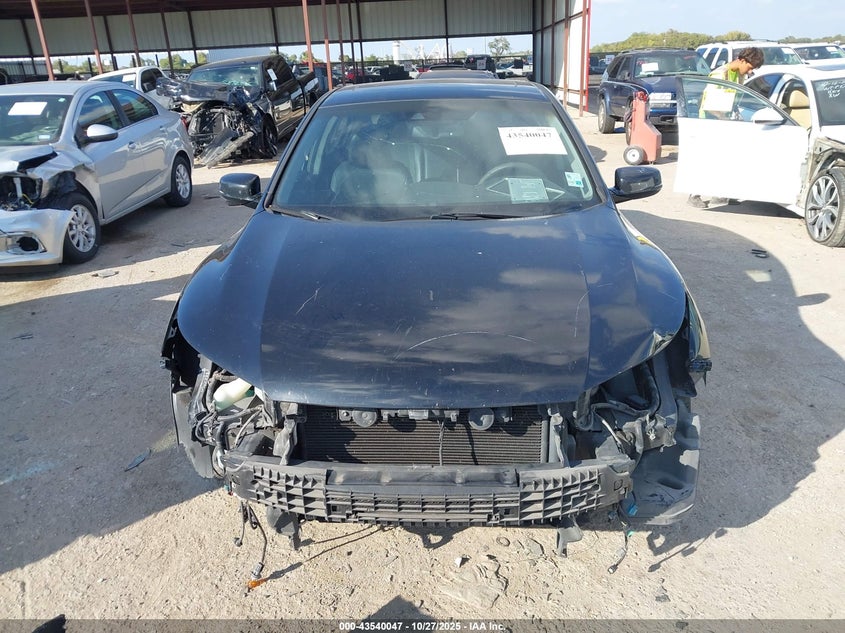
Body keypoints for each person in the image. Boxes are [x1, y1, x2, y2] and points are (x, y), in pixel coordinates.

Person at [687, 47, 765, 209]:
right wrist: (725, 119)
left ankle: (721, 193)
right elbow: (710, 106)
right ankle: (694, 195)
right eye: (750, 67)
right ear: (742, 60)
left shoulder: (738, 75)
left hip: (724, 122)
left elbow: (732, 101)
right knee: (709, 161)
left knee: (726, 160)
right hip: (710, 122)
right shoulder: (720, 75)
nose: (750, 72)